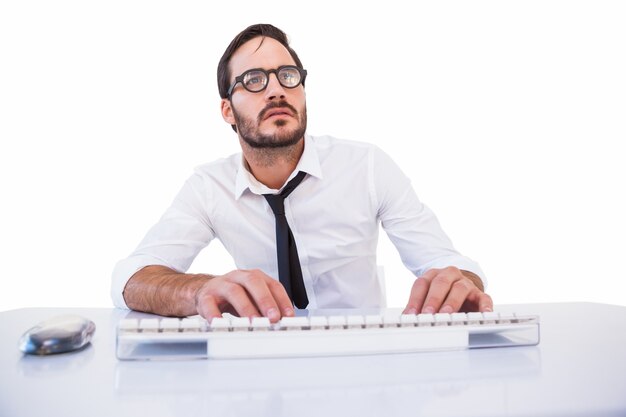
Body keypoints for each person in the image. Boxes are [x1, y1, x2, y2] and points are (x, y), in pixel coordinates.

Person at [111, 23, 493, 322]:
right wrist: (200, 291)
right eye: (254, 80)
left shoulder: (367, 166)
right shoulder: (208, 187)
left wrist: (461, 282)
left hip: (362, 362)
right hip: (262, 365)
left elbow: (447, 262)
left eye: (287, 76)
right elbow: (130, 279)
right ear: (227, 110)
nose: (276, 90)